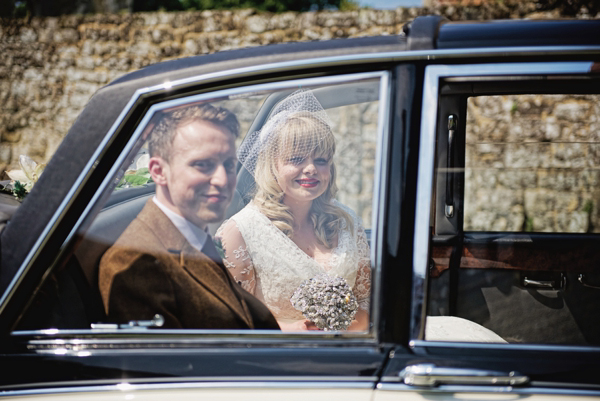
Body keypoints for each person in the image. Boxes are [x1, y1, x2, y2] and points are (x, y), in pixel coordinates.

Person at [99, 103, 279, 330]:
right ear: (158, 171)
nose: (223, 180)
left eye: (229, 165)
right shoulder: (136, 265)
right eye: (203, 165)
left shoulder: (195, 236)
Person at [216, 90, 371, 332]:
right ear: (272, 164)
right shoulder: (240, 232)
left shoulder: (347, 222)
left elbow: (364, 302)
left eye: (321, 160)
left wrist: (349, 330)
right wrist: (287, 330)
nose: (310, 168)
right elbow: (228, 317)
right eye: (297, 159)